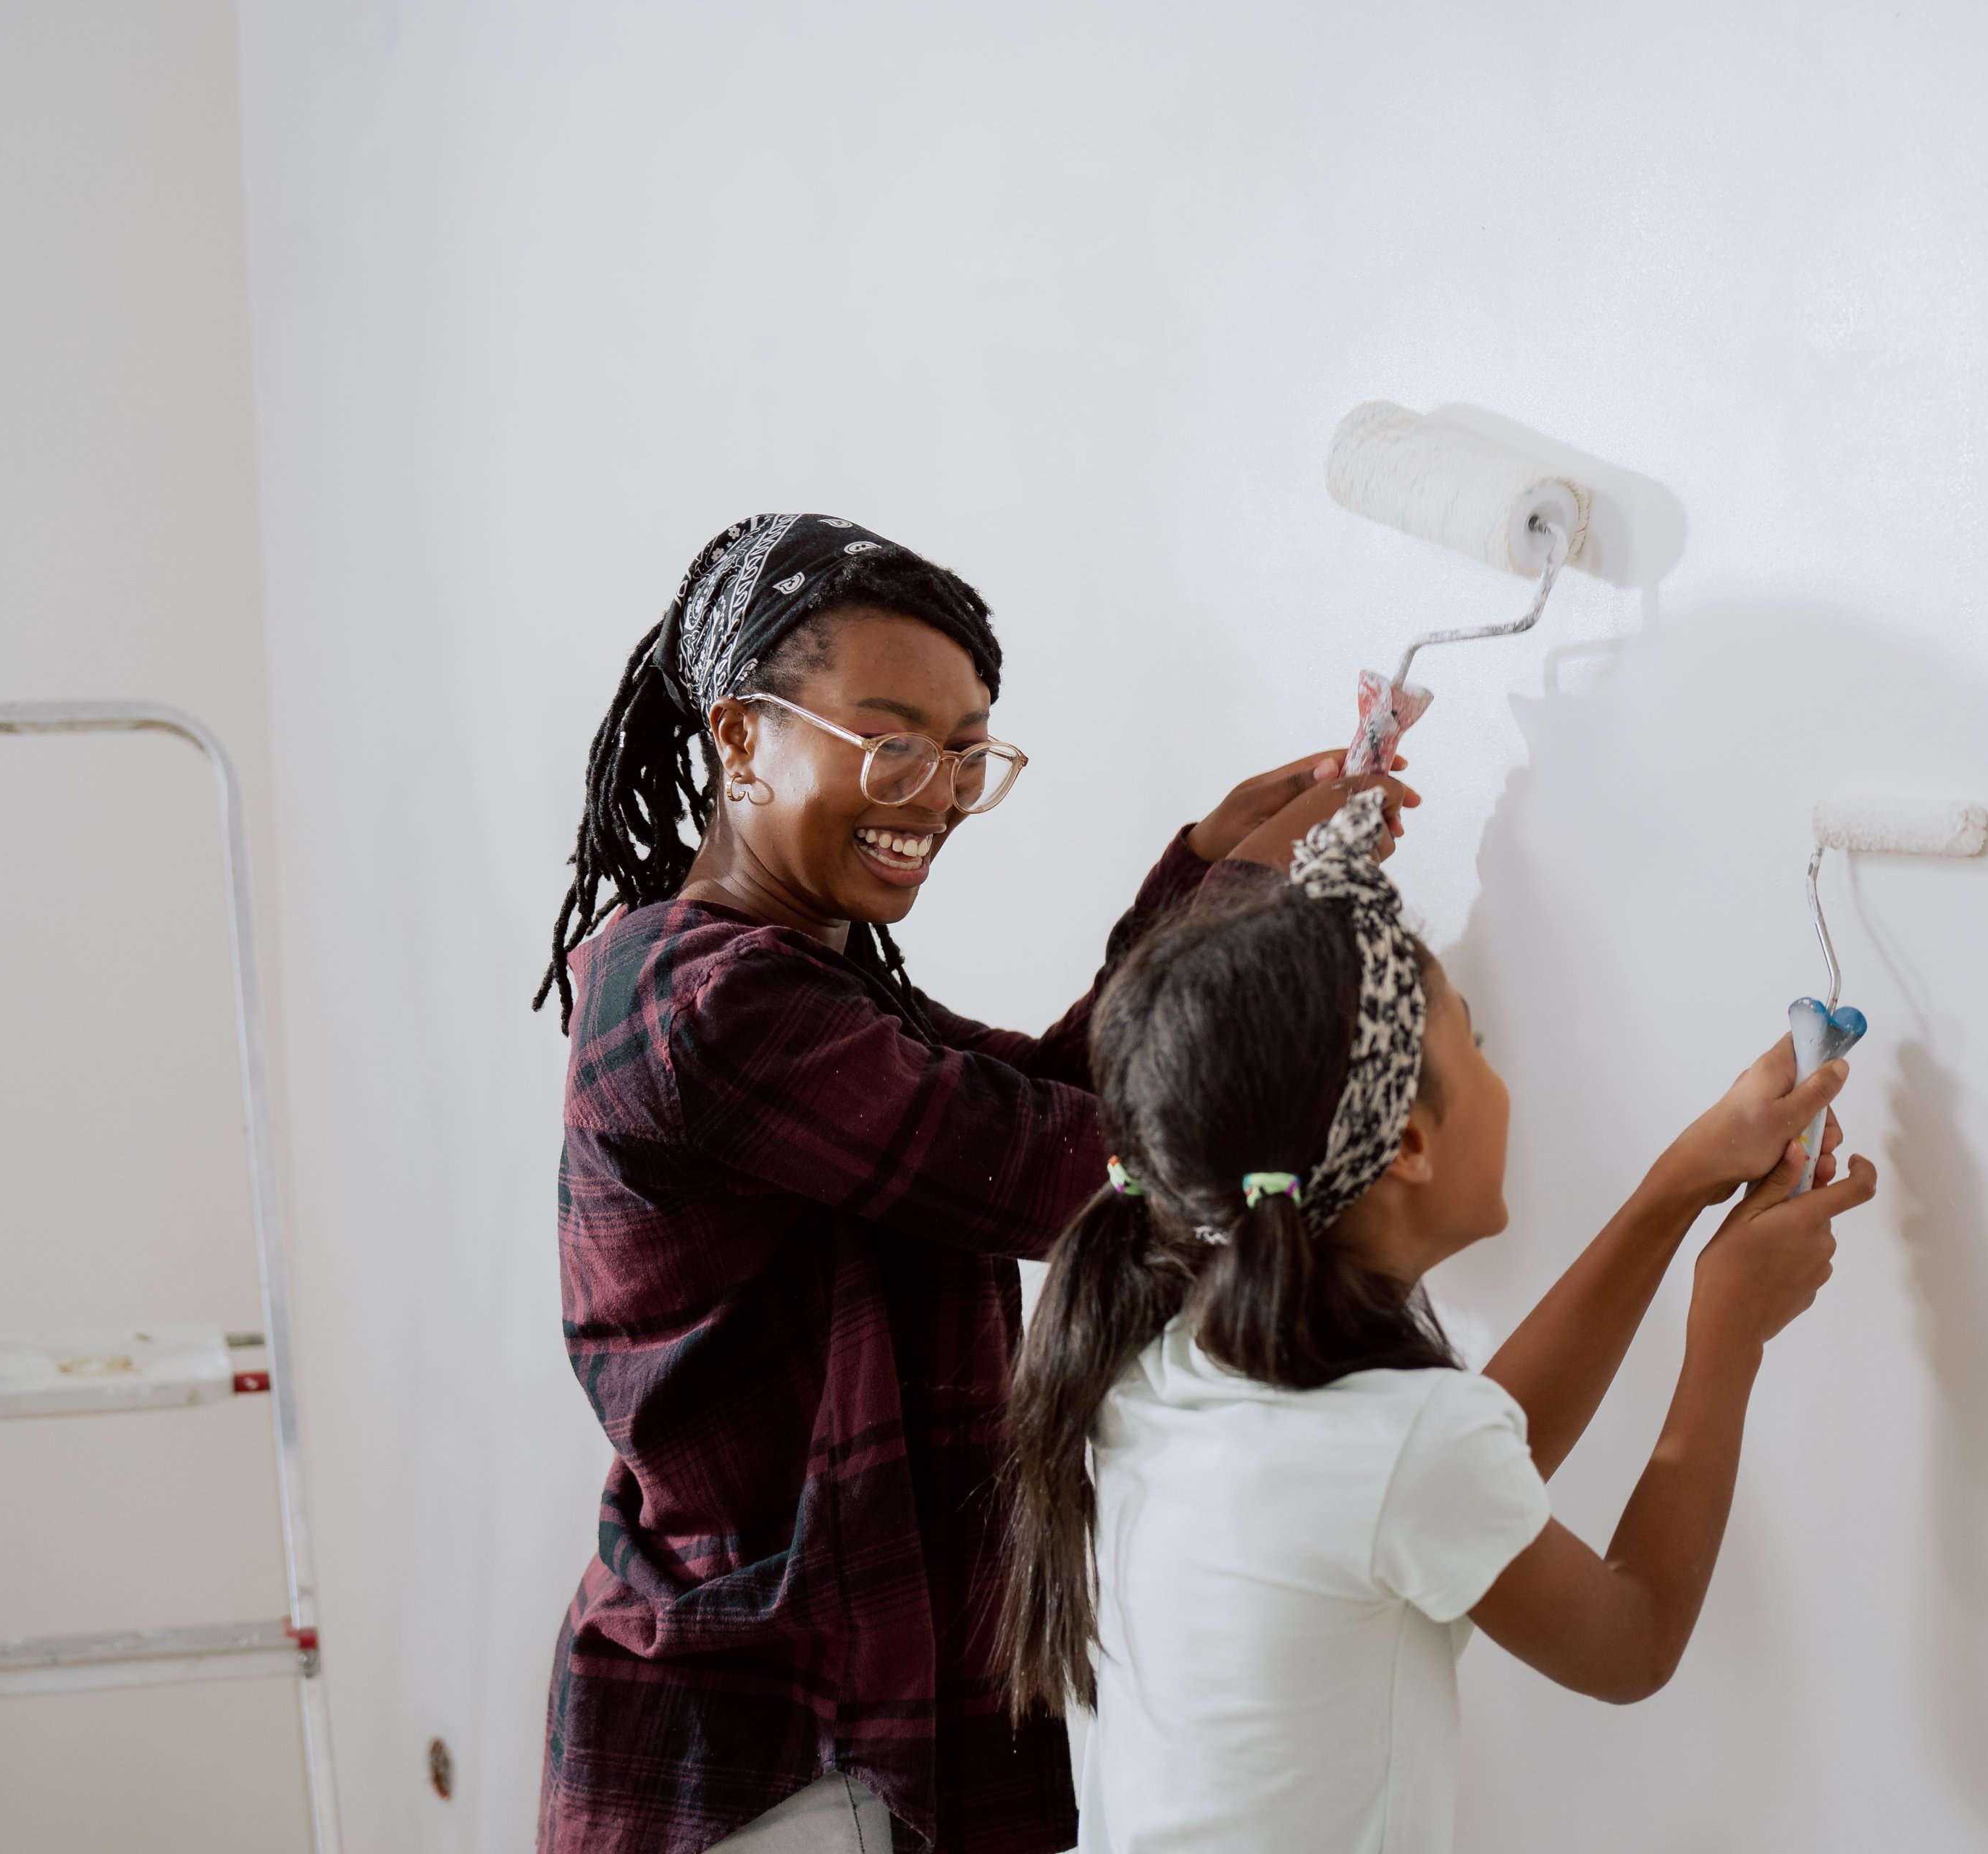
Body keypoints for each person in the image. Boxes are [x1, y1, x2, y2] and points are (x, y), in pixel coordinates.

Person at [530, 514, 1410, 1854]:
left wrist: (1204, 878)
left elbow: (1044, 1102)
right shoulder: (704, 1006)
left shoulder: (800, 986)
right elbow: (1066, 1168)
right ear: (739, 738)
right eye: (891, 739)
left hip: (849, 1725)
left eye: (964, 752)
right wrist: (1237, 902)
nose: (935, 794)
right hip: (763, 1752)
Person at [1002, 791, 1879, 1854]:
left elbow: (1448, 1470)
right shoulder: (1391, 1444)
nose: (1504, 1079)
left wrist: (1671, 1194)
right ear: (1412, 1144)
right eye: (1478, 1046)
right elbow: (1632, 1639)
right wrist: (1727, 1334)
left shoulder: (1167, 1351)